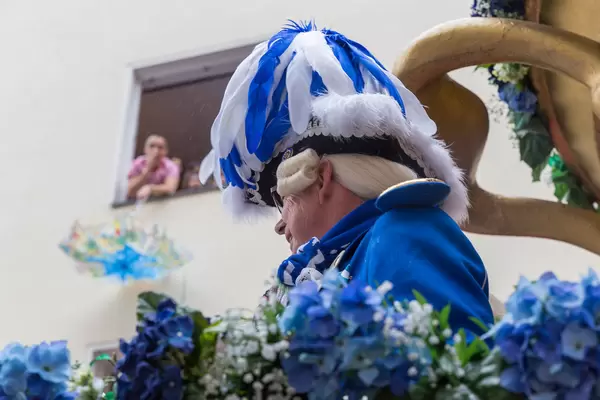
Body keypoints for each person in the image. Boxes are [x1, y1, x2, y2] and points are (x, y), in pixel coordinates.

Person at [200, 21, 494, 334]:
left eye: (282, 200)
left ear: (322, 178)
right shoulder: (355, 253)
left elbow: (448, 369)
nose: (280, 224)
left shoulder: (405, 231)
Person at [127, 135, 180, 200]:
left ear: (166, 151)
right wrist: (147, 170)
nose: (156, 151)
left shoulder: (171, 166)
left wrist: (150, 188)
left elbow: (171, 188)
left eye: (160, 147)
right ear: (145, 149)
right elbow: (129, 191)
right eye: (152, 146)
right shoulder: (137, 163)